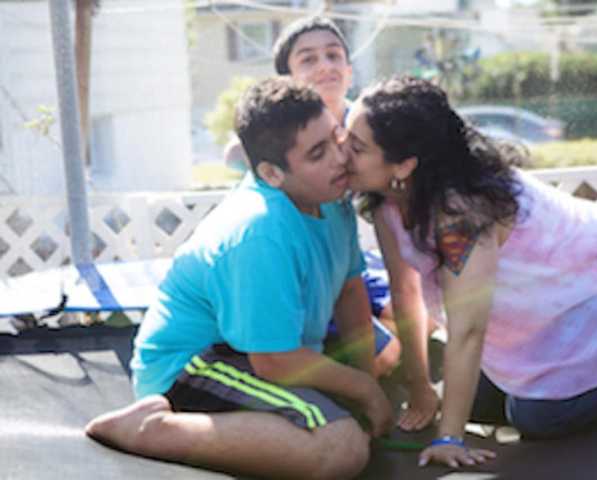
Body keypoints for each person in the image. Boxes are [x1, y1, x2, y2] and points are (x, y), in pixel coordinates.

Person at [343, 75, 597, 468]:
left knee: (540, 418)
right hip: (537, 309)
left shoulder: (460, 210)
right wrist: (420, 386)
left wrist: (449, 437)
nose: (342, 151)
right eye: (345, 136)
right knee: (475, 403)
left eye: (356, 147)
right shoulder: (385, 201)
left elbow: (469, 328)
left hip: (594, 286)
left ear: (405, 164)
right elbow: (404, 290)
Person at [85, 77, 393, 480]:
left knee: (387, 358)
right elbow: (274, 362)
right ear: (272, 172)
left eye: (336, 138)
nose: (340, 158)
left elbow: (351, 290)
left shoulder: (332, 201)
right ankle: (151, 429)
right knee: (341, 447)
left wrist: (367, 378)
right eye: (318, 153)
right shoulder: (260, 231)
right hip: (194, 367)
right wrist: (364, 390)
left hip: (257, 354)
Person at [272, 15, 402, 378]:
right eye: (308, 59)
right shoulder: (275, 141)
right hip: (308, 280)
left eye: (333, 55)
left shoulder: (370, 124)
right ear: (286, 78)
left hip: (354, 267)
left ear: (348, 67)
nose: (325, 66)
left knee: (407, 318)